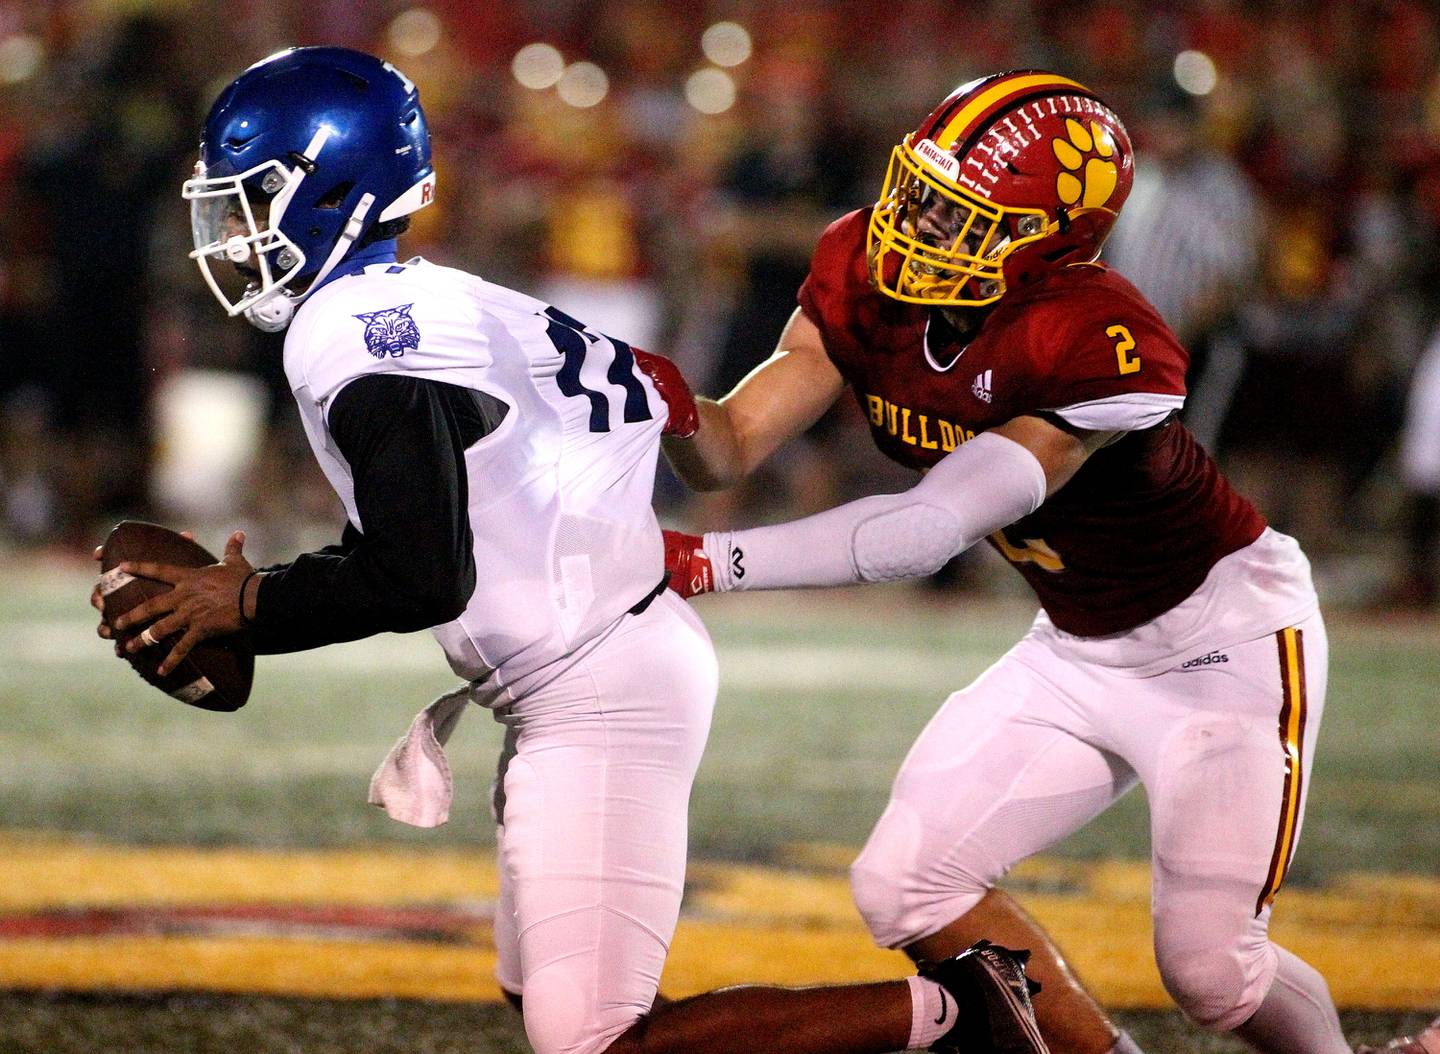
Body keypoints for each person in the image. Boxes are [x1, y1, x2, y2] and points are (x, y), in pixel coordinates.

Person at [89, 47, 1047, 1054]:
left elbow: (419, 571)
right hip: (595, 655)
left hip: (599, 679)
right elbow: (651, 402)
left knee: (592, 1039)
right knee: (540, 992)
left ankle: (960, 1010)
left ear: (327, 191)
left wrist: (248, 607)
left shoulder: (355, 333)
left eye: (251, 204)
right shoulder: (439, 301)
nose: (234, 236)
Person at [656, 70, 1354, 1054]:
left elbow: (928, 529)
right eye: (919, 194)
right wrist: (656, 401)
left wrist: (696, 562)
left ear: (1046, 244)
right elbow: (727, 444)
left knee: (1213, 972)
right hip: (1075, 643)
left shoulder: (1095, 335)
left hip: (1220, 647)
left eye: (959, 215)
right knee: (905, 881)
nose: (916, 228)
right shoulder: (860, 268)